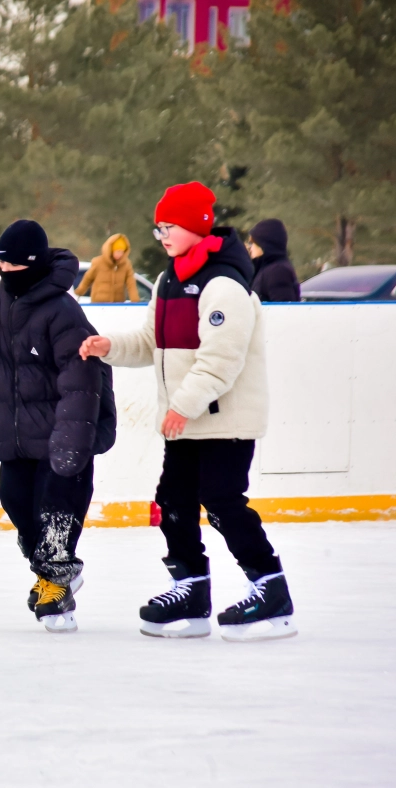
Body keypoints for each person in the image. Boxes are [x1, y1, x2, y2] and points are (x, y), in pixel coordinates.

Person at [79, 181, 297, 642]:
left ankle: (270, 588)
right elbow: (148, 342)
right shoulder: (168, 280)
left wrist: (182, 405)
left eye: (169, 227)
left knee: (220, 502)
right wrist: (109, 347)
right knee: (173, 504)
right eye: (157, 228)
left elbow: (223, 358)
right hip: (186, 422)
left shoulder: (225, 285)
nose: (161, 236)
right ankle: (191, 589)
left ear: (197, 225)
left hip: (225, 420)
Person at [0, 220, 116, 634]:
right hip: (15, 433)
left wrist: (74, 440)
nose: (7, 276)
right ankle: (54, 568)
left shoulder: (62, 311)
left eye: (15, 269)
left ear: (34, 267)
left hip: (62, 433)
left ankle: (56, 582)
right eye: (2, 268)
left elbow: (82, 379)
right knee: (15, 498)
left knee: (57, 507)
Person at [246, 219, 301, 302]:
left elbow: (284, 309)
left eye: (253, 243)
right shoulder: (264, 269)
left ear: (264, 244)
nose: (250, 247)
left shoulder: (278, 271)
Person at [76, 233, 140, 303]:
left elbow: (131, 284)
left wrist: (135, 300)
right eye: (118, 251)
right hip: (99, 304)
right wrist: (78, 293)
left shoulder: (126, 265)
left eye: (122, 252)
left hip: (117, 304)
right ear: (111, 250)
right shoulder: (98, 263)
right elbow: (87, 279)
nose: (120, 254)